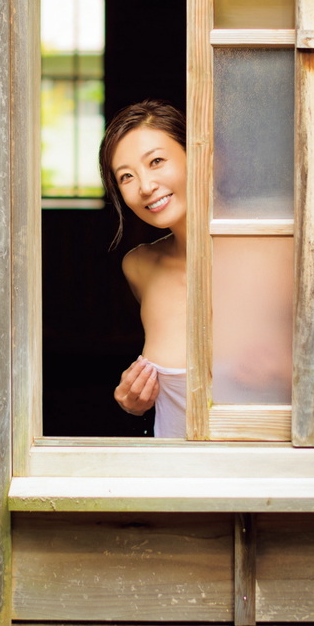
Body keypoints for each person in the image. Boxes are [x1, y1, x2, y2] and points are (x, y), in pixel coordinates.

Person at [99, 99, 188, 437]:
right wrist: (133, 404)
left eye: (156, 161)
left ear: (196, 154)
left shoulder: (267, 255)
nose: (146, 186)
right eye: (126, 176)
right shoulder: (140, 267)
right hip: (171, 468)